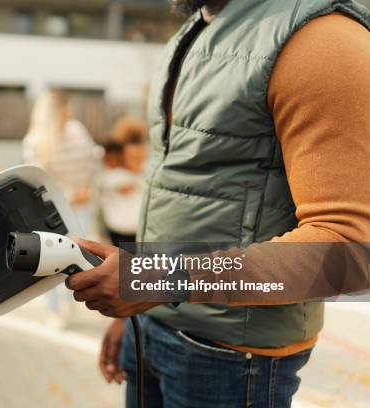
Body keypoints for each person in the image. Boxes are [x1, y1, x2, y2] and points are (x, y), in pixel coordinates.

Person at [63, 1, 370, 407]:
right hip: (154, 327)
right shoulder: (192, 32)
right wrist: (135, 307)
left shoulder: (322, 40)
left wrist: (163, 278)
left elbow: (347, 250)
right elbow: (177, 188)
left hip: (230, 359)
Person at [23, 88, 100, 327]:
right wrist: (69, 195)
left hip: (82, 204)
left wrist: (89, 188)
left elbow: (92, 161)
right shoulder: (35, 142)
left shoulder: (78, 130)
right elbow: (37, 184)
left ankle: (69, 301)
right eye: (63, 108)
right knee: (52, 261)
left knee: (77, 254)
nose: (69, 112)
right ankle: (54, 309)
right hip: (53, 211)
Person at [99, 120, 148, 247]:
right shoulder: (114, 175)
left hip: (141, 232)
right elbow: (123, 186)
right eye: (133, 156)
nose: (138, 154)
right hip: (120, 232)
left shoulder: (144, 172)